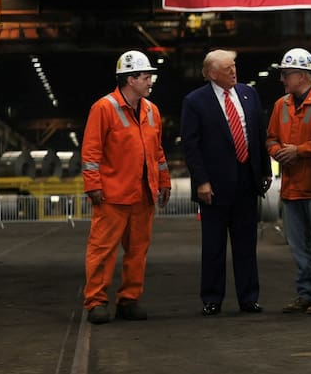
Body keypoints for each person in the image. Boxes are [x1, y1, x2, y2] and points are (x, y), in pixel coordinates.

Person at [81, 50, 172, 325]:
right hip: (112, 195)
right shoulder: (103, 108)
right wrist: (93, 185)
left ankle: (129, 300)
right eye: (146, 77)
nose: (150, 82)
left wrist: (164, 181)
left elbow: (157, 152)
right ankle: (96, 302)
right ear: (130, 79)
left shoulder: (151, 111)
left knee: (137, 251)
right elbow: (91, 152)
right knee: (102, 249)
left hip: (143, 195)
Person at [180, 49, 271, 316]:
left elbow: (258, 134)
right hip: (214, 186)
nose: (234, 71)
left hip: (246, 181)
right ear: (211, 74)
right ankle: (212, 298)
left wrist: (264, 170)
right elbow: (191, 146)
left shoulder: (248, 94)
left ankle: (249, 298)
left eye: (234, 66)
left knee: (246, 244)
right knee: (214, 245)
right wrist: (201, 181)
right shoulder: (195, 101)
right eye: (227, 68)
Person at [266, 48, 311, 314]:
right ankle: (307, 293)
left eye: (286, 75)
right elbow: (271, 138)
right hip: (292, 187)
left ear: (303, 75)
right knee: (299, 246)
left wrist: (298, 150)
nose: (283, 80)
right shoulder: (280, 105)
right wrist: (277, 152)